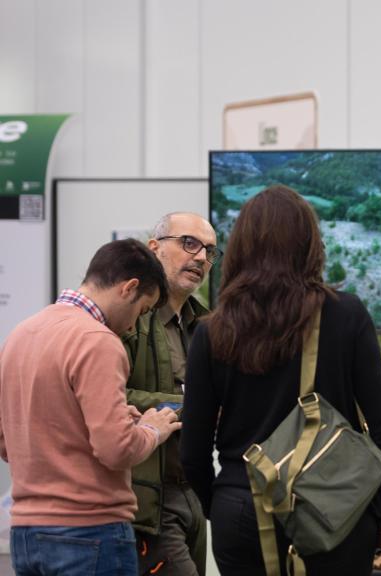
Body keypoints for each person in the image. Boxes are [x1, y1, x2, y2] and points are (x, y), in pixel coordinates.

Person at [180, 185, 381, 576]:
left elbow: (193, 448)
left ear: (240, 246)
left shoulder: (211, 331)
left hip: (241, 505)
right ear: (309, 243)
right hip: (333, 508)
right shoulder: (346, 314)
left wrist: (219, 503)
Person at [0, 239, 182, 576]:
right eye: (141, 312)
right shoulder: (98, 341)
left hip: (25, 535)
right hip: (89, 532)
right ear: (129, 288)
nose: (131, 327)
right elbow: (116, 450)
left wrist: (86, 424)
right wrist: (151, 430)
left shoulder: (20, 335)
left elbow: (8, 441)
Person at [123, 213, 219, 575]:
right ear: (154, 248)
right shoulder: (128, 317)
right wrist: (192, 408)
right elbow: (109, 396)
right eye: (189, 244)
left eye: (209, 252)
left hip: (194, 490)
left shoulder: (206, 325)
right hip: (147, 495)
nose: (200, 258)